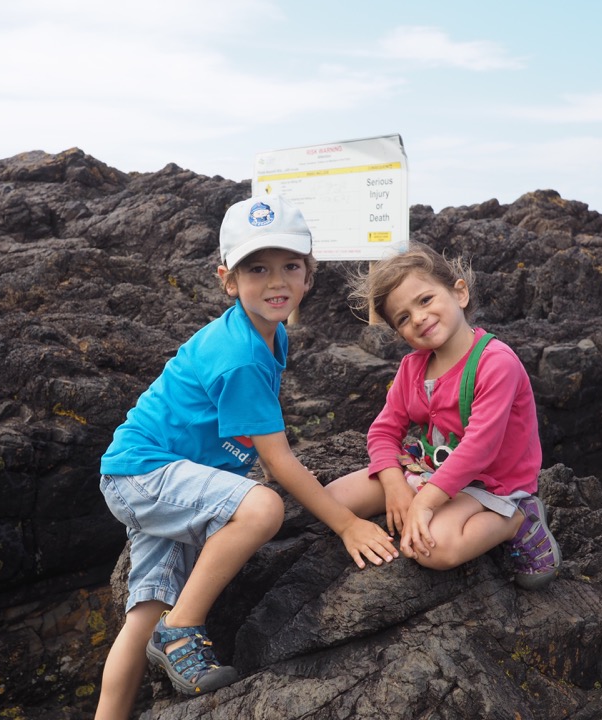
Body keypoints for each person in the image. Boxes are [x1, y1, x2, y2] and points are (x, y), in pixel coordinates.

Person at [93, 195, 399, 720]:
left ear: (309, 275)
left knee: (141, 615)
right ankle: (181, 629)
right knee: (262, 508)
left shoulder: (269, 332)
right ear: (228, 280)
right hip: (145, 472)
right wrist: (347, 525)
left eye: (289, 267)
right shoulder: (239, 355)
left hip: (151, 473)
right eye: (257, 268)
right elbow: (276, 461)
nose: (276, 281)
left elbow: (256, 438)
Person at [326, 243, 561, 589]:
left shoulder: (496, 363)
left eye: (425, 300)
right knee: (332, 501)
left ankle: (519, 520)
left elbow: (479, 448)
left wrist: (424, 502)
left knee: (434, 549)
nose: (419, 318)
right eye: (403, 318)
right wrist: (394, 486)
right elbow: (382, 432)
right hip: (429, 468)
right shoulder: (412, 368)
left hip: (489, 481)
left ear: (459, 293)